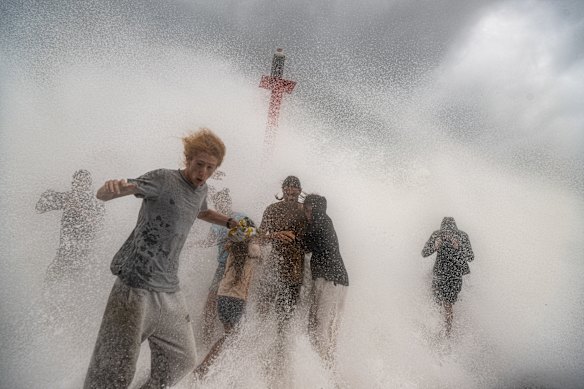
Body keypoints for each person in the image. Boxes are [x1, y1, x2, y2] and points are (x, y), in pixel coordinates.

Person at [84, 128, 239, 389]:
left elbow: (201, 212)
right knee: (114, 372)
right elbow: (108, 193)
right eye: (199, 165)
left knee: (182, 359)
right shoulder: (163, 179)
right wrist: (108, 189)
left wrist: (230, 221)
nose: (203, 173)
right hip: (135, 287)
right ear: (187, 159)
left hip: (169, 290)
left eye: (210, 168)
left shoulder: (201, 190)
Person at [193, 217, 261, 378]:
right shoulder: (253, 249)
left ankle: (218, 369)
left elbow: (235, 243)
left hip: (222, 297)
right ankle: (205, 367)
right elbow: (258, 255)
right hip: (236, 299)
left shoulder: (232, 247)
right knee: (232, 336)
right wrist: (259, 237)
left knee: (231, 335)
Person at [256, 176, 308, 370]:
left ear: (300, 190)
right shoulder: (272, 209)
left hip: (296, 269)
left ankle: (280, 355)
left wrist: (297, 239)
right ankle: (257, 347)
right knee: (263, 307)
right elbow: (260, 237)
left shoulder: (305, 211)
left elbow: (312, 238)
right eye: (288, 187)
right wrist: (274, 235)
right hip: (273, 266)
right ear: (283, 189)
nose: (291, 191)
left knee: (285, 317)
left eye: (295, 188)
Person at [195, 188, 247, 346]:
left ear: (229, 202)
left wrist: (235, 242)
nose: (222, 204)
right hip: (221, 266)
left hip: (237, 266)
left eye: (224, 201)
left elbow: (253, 236)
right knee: (210, 303)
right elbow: (209, 241)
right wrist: (193, 245)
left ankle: (235, 339)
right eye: (218, 202)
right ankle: (206, 341)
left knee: (234, 303)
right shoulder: (215, 224)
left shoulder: (240, 217)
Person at [302, 194, 349, 368]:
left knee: (321, 326)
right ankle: (324, 368)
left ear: (315, 209)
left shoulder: (321, 219)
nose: (306, 215)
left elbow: (305, 244)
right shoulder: (325, 222)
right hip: (335, 279)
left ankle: (323, 372)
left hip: (331, 279)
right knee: (322, 326)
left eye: (307, 211)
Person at [36, 169, 105, 283]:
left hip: (85, 256)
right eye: (76, 183)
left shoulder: (96, 202)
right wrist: (48, 196)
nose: (78, 186)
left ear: (89, 184)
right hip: (65, 254)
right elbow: (39, 208)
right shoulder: (68, 197)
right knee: (51, 281)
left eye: (82, 182)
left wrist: (79, 209)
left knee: (81, 285)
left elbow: (98, 224)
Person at [421, 217, 474, 336]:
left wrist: (459, 246)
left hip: (454, 275)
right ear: (441, 230)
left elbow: (471, 257)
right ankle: (434, 327)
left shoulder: (462, 236)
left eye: (450, 233)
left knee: (447, 303)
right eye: (445, 233)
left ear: (455, 231)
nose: (448, 235)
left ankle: (447, 332)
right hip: (439, 273)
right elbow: (424, 253)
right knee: (435, 300)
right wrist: (434, 246)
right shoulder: (437, 235)